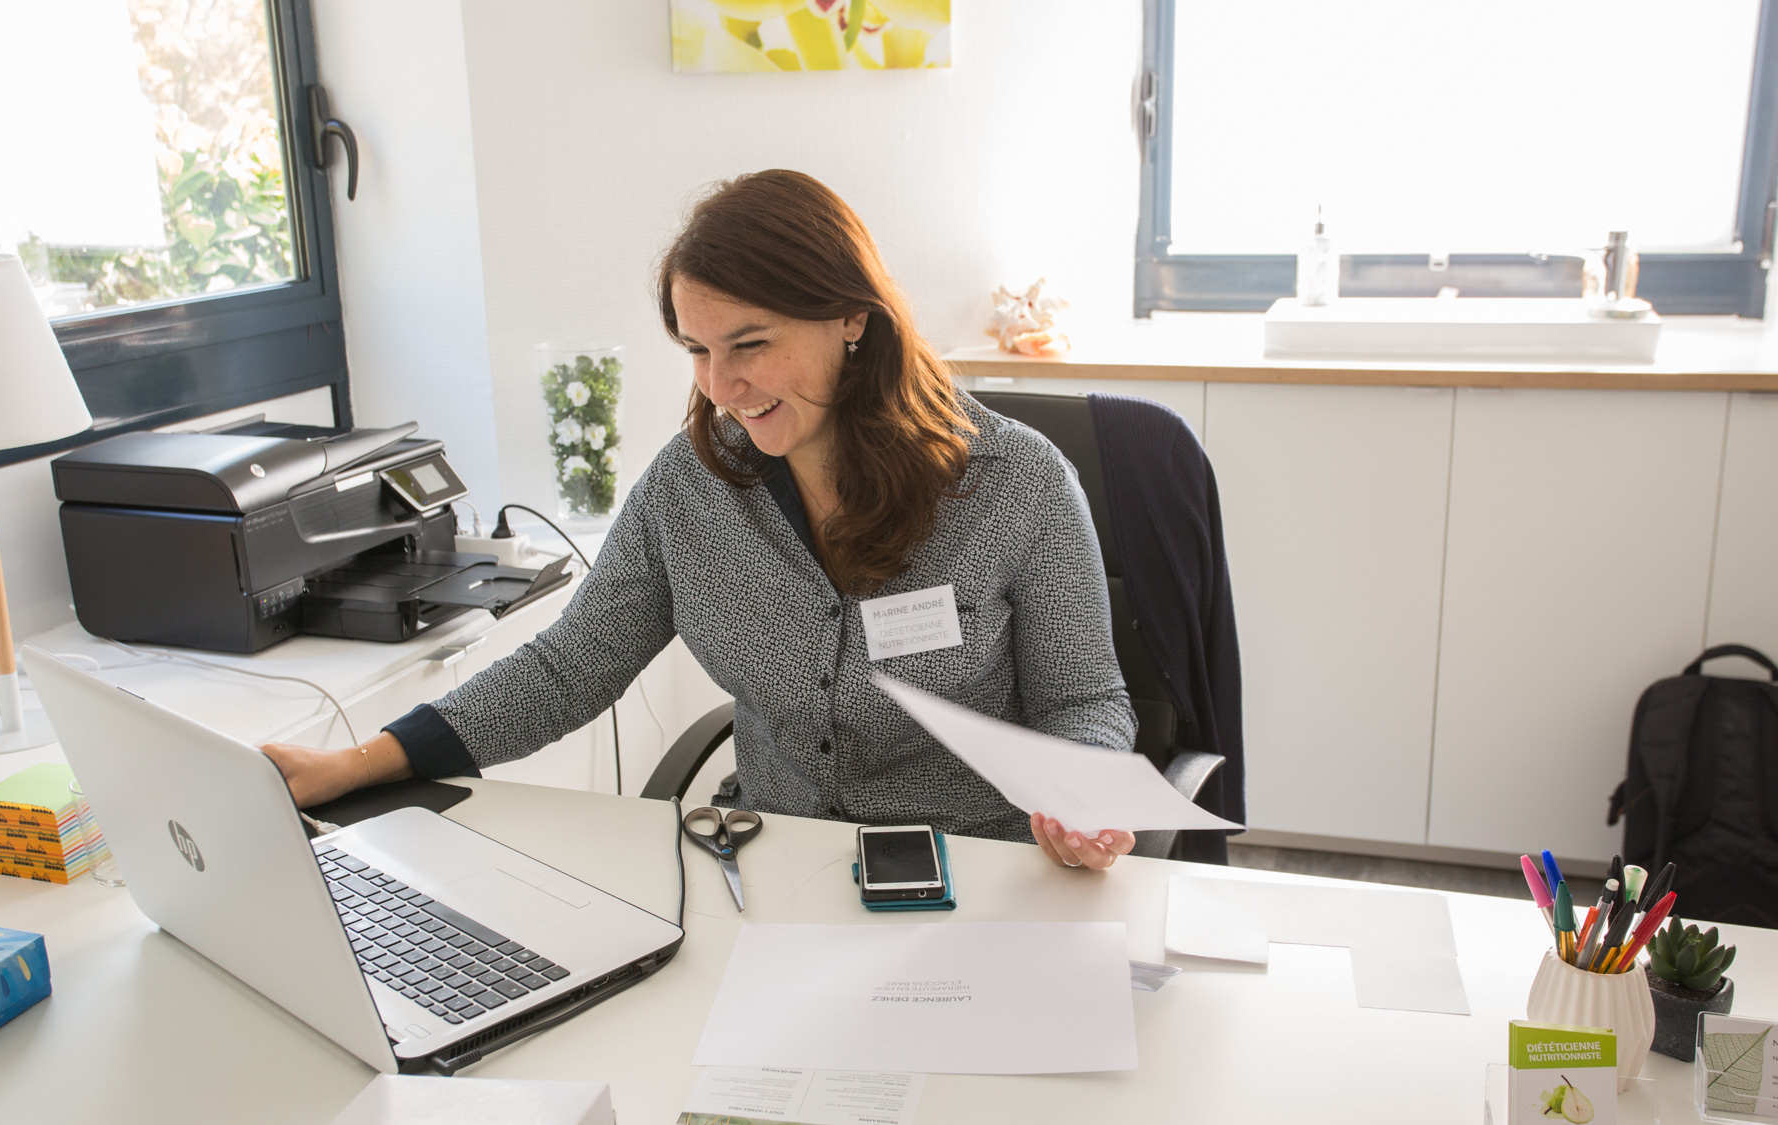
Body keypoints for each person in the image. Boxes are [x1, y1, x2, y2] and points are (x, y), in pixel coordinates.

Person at [262, 169, 1139, 870]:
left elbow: (1085, 699)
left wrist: (1085, 795)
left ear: (850, 319)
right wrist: (358, 762)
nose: (721, 387)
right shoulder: (693, 486)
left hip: (979, 874)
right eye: (697, 350)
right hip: (773, 870)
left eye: (750, 344)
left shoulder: (1015, 482)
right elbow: (570, 668)